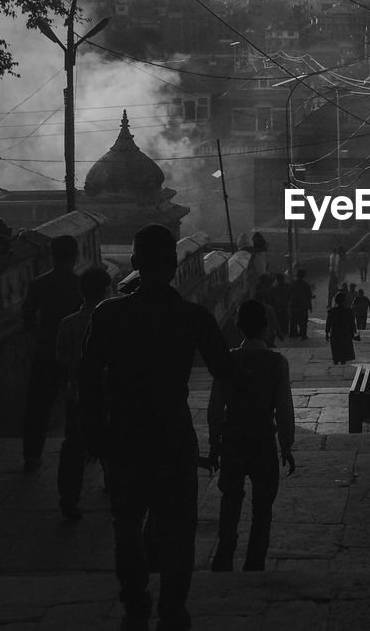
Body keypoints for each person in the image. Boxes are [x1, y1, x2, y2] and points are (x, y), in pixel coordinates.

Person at [79, 224, 245, 631]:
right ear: (173, 265)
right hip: (172, 434)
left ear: (135, 264)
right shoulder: (192, 317)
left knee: (127, 524)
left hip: (124, 436)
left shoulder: (109, 314)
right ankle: (173, 607)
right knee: (178, 530)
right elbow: (226, 371)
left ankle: (135, 600)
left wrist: (95, 433)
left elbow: (86, 378)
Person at [207, 300, 296, 572]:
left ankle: (224, 556)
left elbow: (214, 408)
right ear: (266, 326)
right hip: (263, 441)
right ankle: (254, 562)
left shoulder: (229, 360)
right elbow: (284, 409)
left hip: (233, 441)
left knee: (230, 500)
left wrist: (214, 444)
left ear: (238, 326)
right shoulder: (277, 362)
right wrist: (286, 445)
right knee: (262, 506)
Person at [20, 234, 82, 472]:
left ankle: (32, 454)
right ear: (75, 255)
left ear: (52, 256)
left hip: (46, 348)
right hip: (75, 350)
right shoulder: (79, 283)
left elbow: (27, 316)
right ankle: (79, 446)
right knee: (78, 402)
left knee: (38, 405)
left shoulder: (39, 283)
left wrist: (39, 337)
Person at [53, 265, 111, 521]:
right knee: (113, 441)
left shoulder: (68, 324)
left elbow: (62, 359)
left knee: (73, 447)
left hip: (77, 394)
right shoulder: (112, 321)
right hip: (108, 394)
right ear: (106, 290)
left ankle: (68, 498)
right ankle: (114, 484)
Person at [325, 292, 357, 365]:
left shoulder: (332, 311)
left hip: (335, 334)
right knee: (344, 351)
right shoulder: (348, 311)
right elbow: (352, 323)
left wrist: (327, 333)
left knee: (335, 349)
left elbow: (328, 323)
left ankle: (336, 362)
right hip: (345, 333)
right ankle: (342, 362)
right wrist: (354, 332)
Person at [287, 269, 313, 339]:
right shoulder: (306, 285)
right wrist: (310, 306)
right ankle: (303, 334)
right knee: (303, 322)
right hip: (303, 306)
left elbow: (288, 294)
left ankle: (293, 334)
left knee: (293, 321)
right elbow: (309, 296)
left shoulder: (293, 284)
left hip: (294, 305)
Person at [269, 273, 290, 340]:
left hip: (278, 307)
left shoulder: (274, 288)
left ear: (277, 280)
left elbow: (272, 299)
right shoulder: (288, 286)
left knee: (279, 319)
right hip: (285, 306)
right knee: (285, 319)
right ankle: (285, 331)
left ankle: (281, 331)